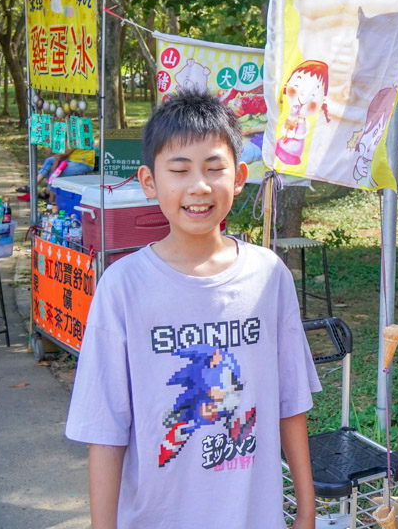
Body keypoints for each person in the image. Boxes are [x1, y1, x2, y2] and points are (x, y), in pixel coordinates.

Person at [65, 90, 320, 529]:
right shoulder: (123, 287)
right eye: (179, 170)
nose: (199, 187)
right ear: (149, 181)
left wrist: (307, 508)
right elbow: (105, 428)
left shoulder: (269, 276)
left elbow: (289, 399)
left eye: (214, 168)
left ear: (240, 176)